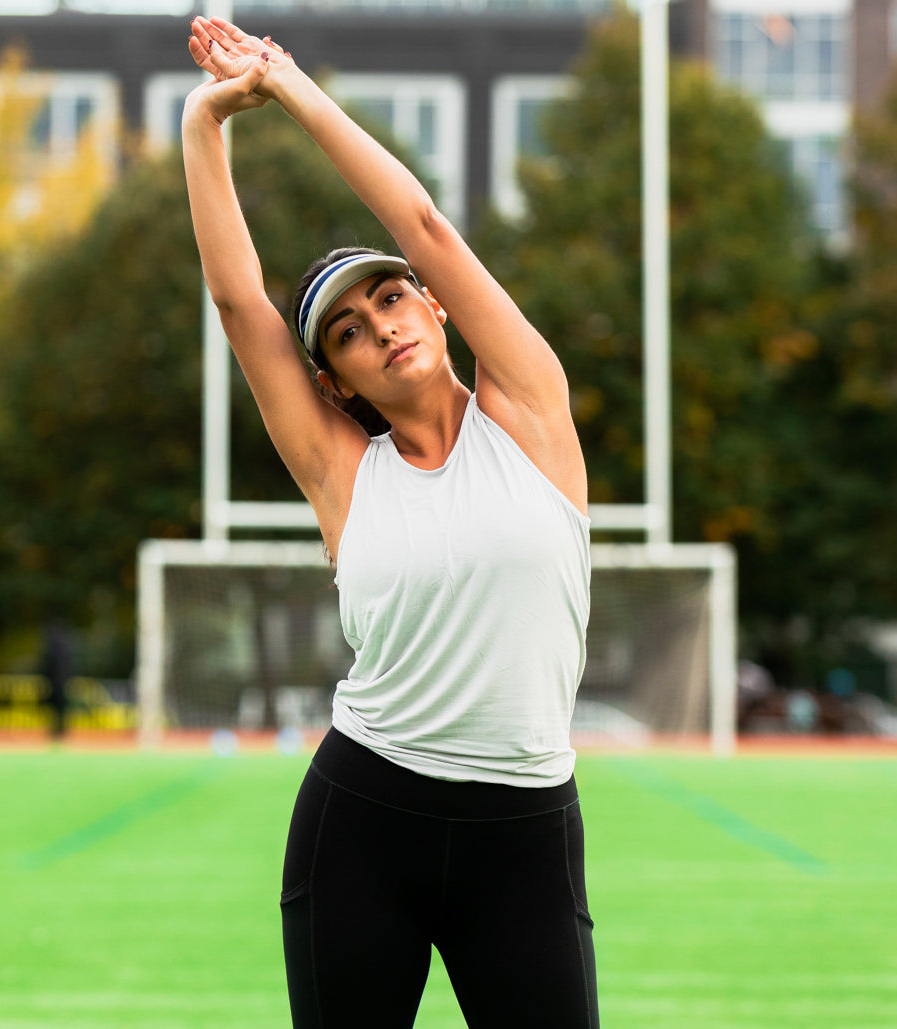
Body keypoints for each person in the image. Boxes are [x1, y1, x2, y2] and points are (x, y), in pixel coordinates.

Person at [183, 17, 598, 1028]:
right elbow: (241, 307)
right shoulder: (342, 473)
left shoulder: (529, 411)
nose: (383, 327)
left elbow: (426, 227)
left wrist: (285, 84)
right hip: (364, 820)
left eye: (393, 299)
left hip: (526, 833)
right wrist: (203, 122)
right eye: (350, 332)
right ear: (337, 378)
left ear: (437, 306)